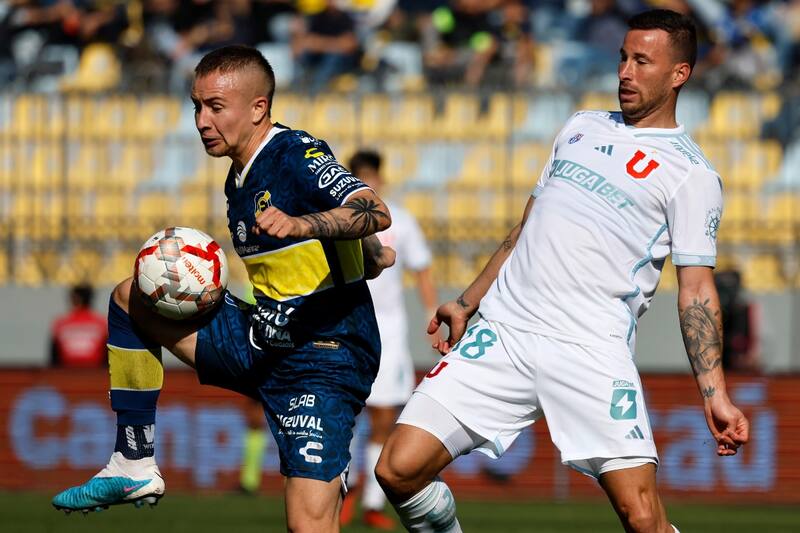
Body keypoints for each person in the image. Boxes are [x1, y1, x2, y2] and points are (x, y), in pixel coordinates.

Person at [375, 9, 750, 533]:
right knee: (397, 469)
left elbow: (696, 290)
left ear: (679, 74)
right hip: (506, 333)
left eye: (643, 61)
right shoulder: (581, 126)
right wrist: (468, 301)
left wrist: (715, 393)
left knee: (643, 517)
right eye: (623, 57)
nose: (625, 71)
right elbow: (526, 226)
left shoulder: (691, 174)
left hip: (590, 348)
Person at [52, 44, 396, 533]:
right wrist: (370, 254)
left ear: (258, 108)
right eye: (197, 105)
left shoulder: (295, 153)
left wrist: (304, 226)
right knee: (131, 298)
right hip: (263, 339)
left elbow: (375, 210)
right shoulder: (239, 179)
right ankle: (133, 462)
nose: (201, 120)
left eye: (215, 106)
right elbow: (361, 244)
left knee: (308, 525)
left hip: (325, 355)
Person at [341, 150, 438, 530]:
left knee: (383, 416)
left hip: (390, 329)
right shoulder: (339, 219)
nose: (368, 183)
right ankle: (342, 493)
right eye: (360, 176)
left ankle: (372, 502)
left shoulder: (401, 219)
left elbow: (422, 267)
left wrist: (430, 310)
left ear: (381, 179)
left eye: (372, 176)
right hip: (347, 322)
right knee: (344, 413)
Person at [50, 284, 108, 368]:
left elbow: (54, 358)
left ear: (76, 298)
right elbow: (107, 355)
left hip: (66, 374)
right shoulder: (102, 323)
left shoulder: (61, 323)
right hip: (95, 374)